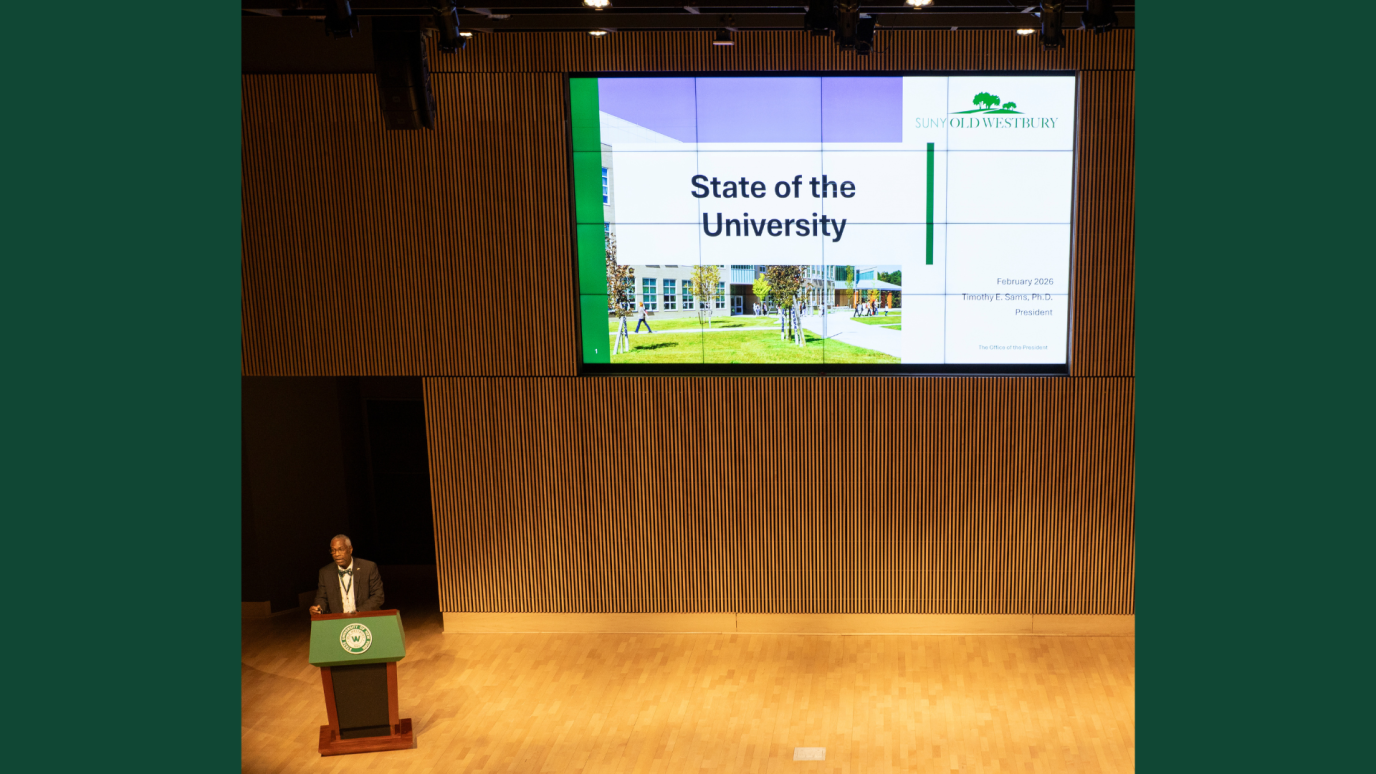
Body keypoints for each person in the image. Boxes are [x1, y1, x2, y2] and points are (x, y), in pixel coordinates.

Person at [310, 534, 384, 615]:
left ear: (350, 549)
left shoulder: (368, 567)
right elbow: (321, 598)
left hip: (364, 617)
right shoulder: (325, 572)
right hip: (338, 619)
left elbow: (378, 596)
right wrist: (318, 609)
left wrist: (358, 612)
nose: (336, 554)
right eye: (333, 550)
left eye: (341, 549)